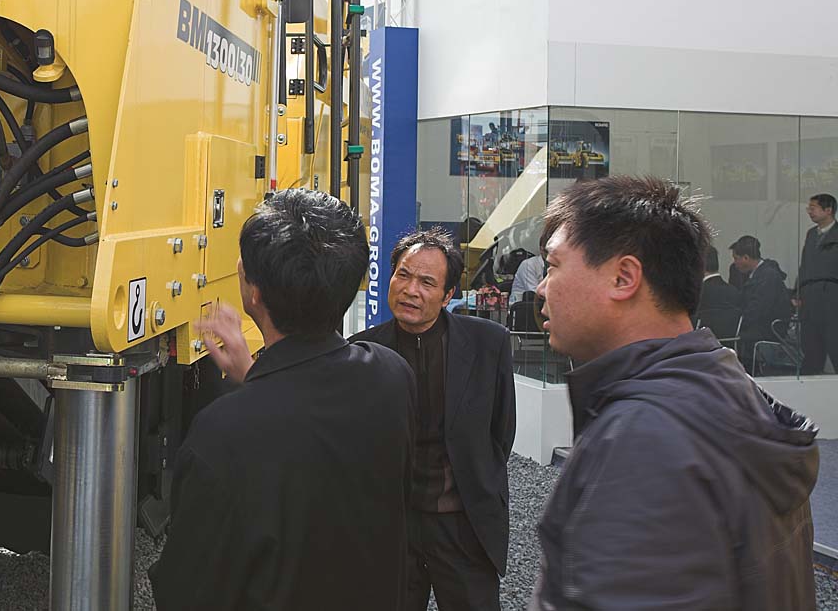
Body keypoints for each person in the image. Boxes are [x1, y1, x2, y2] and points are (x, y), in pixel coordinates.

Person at [531, 176, 818, 610]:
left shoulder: (645, 436)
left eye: (553, 266)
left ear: (624, 277)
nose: (541, 288)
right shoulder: (730, 390)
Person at [149, 189, 416, 611]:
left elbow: (187, 590)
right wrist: (256, 376)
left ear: (253, 292)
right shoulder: (391, 376)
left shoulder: (221, 434)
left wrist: (257, 384)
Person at [352, 229, 516, 611]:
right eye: (403, 275)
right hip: (393, 525)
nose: (411, 290)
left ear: (447, 295)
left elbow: (500, 432)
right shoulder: (362, 351)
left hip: (462, 523)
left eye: (427, 282)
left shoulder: (488, 343)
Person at [730, 235, 792, 371]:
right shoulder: (758, 275)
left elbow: (758, 310)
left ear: (746, 258)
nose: (735, 263)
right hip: (762, 327)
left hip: (768, 330)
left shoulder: (768, 276)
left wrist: (737, 323)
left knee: (732, 337)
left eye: (736, 258)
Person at [798, 193, 838, 375]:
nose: (809, 211)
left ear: (828, 210)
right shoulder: (811, 234)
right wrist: (798, 292)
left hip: (832, 299)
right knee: (812, 348)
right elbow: (804, 265)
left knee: (834, 344)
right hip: (810, 299)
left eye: (813, 208)